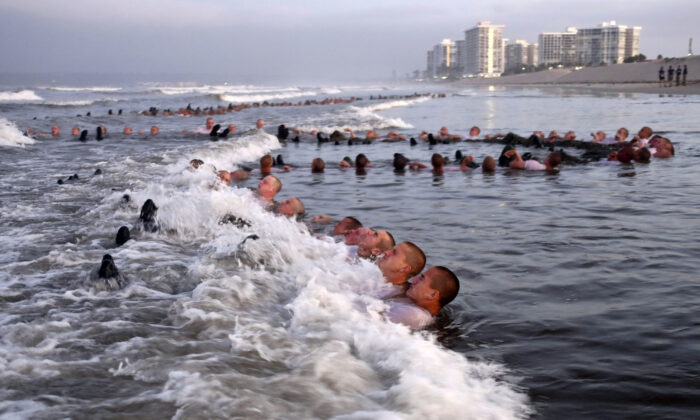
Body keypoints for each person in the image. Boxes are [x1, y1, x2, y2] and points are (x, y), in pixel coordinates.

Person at [385, 266, 460, 330]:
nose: (414, 280)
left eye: (421, 279)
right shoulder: (413, 306)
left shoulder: (413, 315)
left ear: (432, 295)